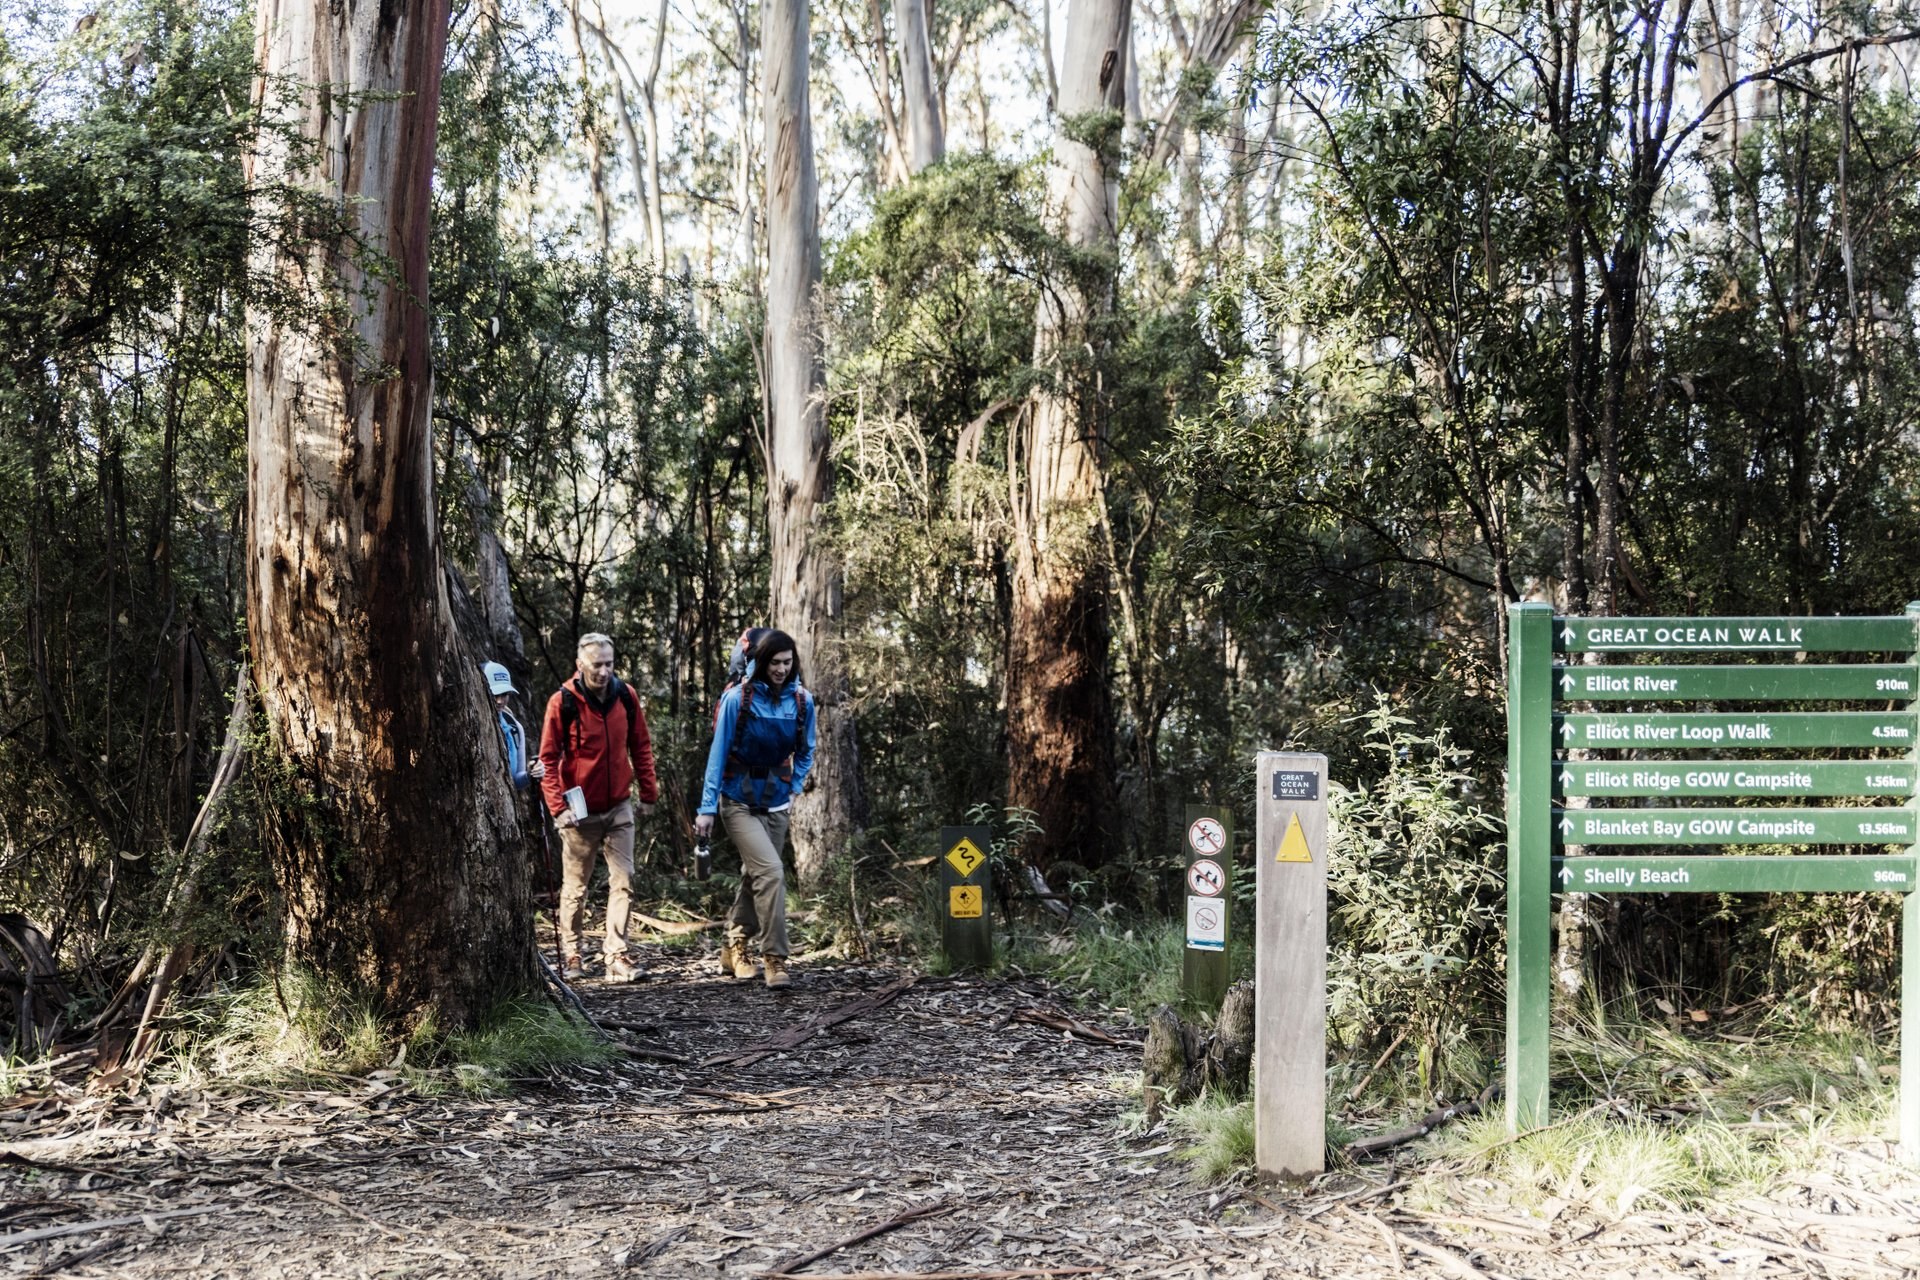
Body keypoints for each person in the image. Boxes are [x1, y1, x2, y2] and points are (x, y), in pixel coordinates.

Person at [694, 628, 815, 990]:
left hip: (777, 800)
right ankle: (775, 959)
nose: (781, 669)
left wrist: (794, 789)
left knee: (756, 875)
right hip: (738, 801)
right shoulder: (737, 699)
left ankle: (735, 946)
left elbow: (807, 750)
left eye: (787, 662)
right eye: (775, 662)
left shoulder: (802, 701)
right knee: (772, 872)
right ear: (760, 663)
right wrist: (706, 808)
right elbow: (717, 755)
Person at [539, 633, 659, 984]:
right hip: (579, 812)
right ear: (580, 665)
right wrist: (558, 807)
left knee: (623, 880)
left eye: (609, 663)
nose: (604, 671)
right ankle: (572, 952)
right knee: (575, 887)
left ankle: (616, 955)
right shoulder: (562, 702)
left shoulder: (626, 696)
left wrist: (648, 794)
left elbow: (641, 745)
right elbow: (547, 760)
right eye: (597, 665)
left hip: (619, 805)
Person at [483, 662, 544, 791]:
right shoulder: (472, 725)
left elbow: (516, 780)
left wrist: (531, 774)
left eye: (504, 694)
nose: (500, 701)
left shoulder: (514, 728)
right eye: (495, 694)